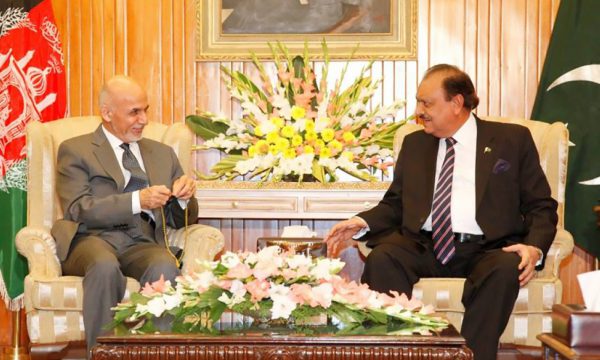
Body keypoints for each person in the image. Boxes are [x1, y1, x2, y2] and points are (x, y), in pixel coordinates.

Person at [325, 64, 558, 360]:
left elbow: (541, 205)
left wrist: (534, 247)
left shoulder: (512, 140)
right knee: (384, 258)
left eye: (427, 103)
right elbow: (396, 204)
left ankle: (471, 356)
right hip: (426, 245)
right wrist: (361, 222)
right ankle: (396, 354)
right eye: (419, 102)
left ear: (457, 103)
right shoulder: (415, 144)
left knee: (504, 269)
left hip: (489, 248)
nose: (419, 111)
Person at [51, 75, 198, 355]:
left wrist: (184, 199)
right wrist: (136, 200)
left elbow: (182, 221)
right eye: (134, 112)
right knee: (105, 266)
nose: (143, 119)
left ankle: (158, 353)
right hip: (90, 238)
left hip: (141, 241)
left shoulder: (163, 153)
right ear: (107, 113)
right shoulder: (76, 149)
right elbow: (77, 208)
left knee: (165, 266)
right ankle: (103, 353)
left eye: (145, 110)